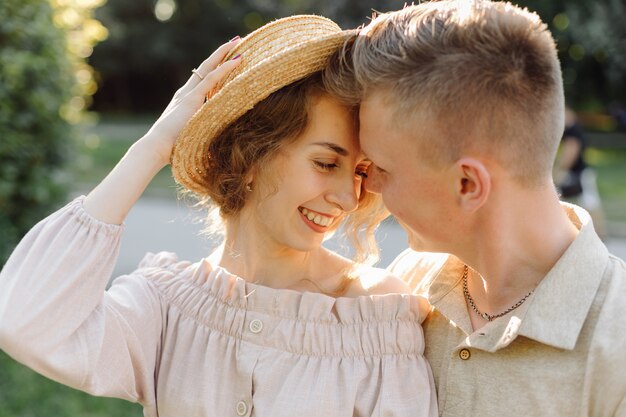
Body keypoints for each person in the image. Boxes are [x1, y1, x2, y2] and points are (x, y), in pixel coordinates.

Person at [0, 16, 437, 417]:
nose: (347, 196)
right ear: (250, 155)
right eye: (325, 163)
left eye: (360, 172)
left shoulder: (373, 316)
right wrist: (152, 147)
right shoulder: (166, 307)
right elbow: (24, 322)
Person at [324, 1, 626, 415]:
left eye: (382, 168)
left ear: (467, 184)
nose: (366, 187)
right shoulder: (404, 287)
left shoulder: (616, 351)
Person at [554, 106, 606, 239]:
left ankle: (599, 234)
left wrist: (560, 169)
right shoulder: (574, 129)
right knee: (587, 203)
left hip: (580, 174)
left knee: (590, 203)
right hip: (578, 173)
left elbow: (571, 152)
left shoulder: (572, 130)